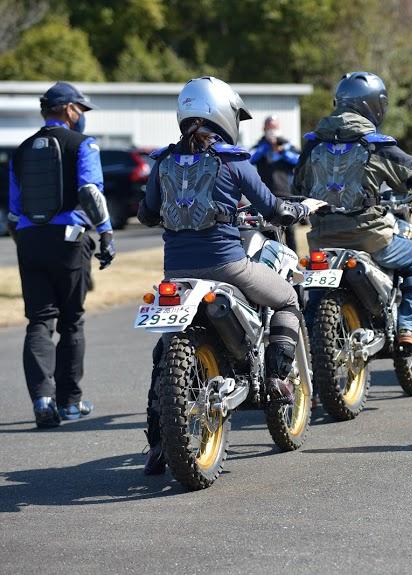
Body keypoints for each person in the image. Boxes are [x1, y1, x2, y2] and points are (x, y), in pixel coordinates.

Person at [138, 76, 322, 475]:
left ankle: (156, 443)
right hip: (229, 267)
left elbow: (146, 214)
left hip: (177, 273)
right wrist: (296, 211)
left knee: (166, 349)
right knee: (288, 296)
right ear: (222, 114)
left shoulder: (164, 161)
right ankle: (276, 380)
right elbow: (272, 208)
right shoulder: (232, 160)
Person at [292, 71, 412, 352]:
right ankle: (410, 328)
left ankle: (303, 347)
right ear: (373, 104)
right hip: (369, 236)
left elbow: (298, 186)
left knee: (315, 293)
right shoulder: (375, 144)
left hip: (322, 238)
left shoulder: (314, 144)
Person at [7, 81, 115, 428]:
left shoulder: (21, 151)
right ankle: (70, 403)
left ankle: (42, 399)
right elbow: (88, 190)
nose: (82, 116)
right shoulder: (83, 144)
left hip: (29, 239)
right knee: (71, 320)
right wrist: (107, 232)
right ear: (69, 109)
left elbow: (12, 212)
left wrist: (27, 242)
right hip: (69, 240)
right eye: (81, 110)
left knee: (40, 321)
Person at [250, 116, 301, 249]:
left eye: (274, 128)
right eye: (269, 128)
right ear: (264, 129)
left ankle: (293, 261)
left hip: (287, 193)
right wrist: (266, 147)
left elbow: (299, 161)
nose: (272, 131)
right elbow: (250, 159)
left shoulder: (287, 145)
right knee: (267, 230)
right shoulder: (260, 146)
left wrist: (282, 151)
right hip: (265, 195)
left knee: (290, 231)